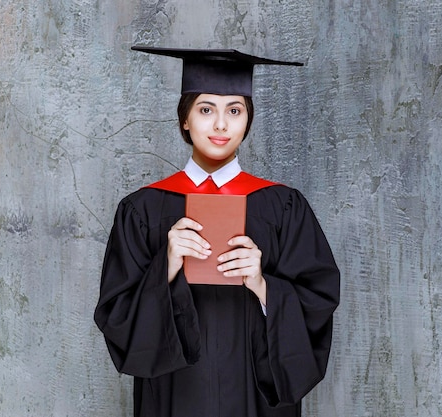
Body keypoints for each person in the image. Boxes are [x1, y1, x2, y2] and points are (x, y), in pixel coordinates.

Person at [94, 46, 340, 417]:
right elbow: (116, 314)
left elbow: (318, 301)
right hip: (175, 395)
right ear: (185, 120)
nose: (221, 125)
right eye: (206, 110)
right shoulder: (143, 208)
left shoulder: (283, 207)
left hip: (254, 398)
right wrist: (167, 264)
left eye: (235, 110)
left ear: (247, 120)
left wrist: (263, 284)